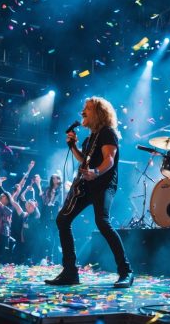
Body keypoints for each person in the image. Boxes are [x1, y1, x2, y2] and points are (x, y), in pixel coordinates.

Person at [45, 97, 133, 288]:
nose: (83, 112)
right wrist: (73, 146)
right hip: (85, 185)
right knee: (63, 219)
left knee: (102, 222)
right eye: (83, 108)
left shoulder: (108, 133)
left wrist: (96, 172)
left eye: (88, 109)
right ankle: (70, 272)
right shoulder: (89, 138)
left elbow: (109, 159)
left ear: (99, 113)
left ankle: (126, 271)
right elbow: (83, 160)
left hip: (103, 184)